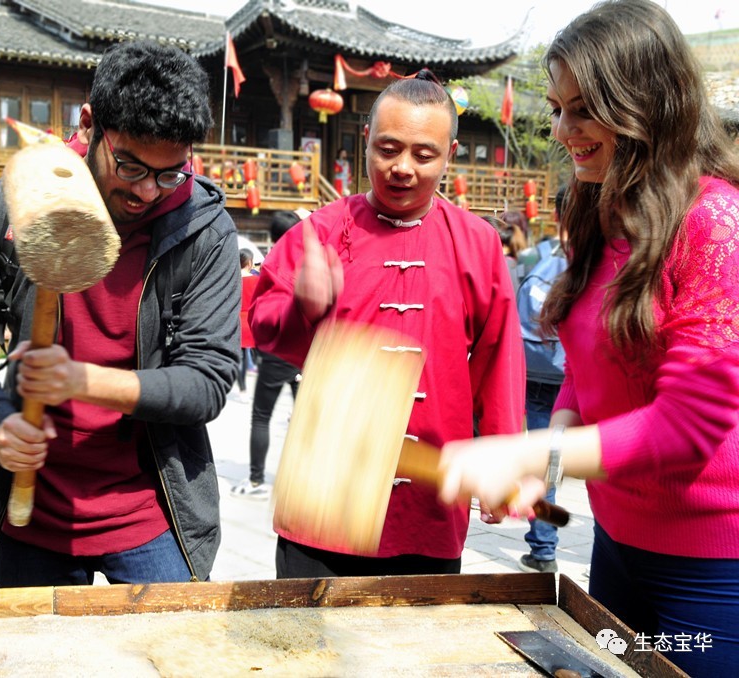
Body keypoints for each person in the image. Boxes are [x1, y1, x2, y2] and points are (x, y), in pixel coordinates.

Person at [438, 1, 739, 674]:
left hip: (714, 570)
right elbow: (585, 366)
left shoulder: (717, 224)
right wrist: (546, 470)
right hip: (616, 545)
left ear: (645, 102)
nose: (563, 130)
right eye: (556, 107)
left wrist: (528, 449)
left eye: (584, 109)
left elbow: (687, 427)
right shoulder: (605, 206)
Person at [0, 40, 241, 588]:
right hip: (35, 516)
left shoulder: (204, 229)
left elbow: (207, 381)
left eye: (170, 172)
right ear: (90, 123)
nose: (147, 190)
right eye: (129, 164)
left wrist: (80, 380)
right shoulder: (15, 206)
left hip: (155, 515)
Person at [250, 70, 525, 578]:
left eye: (424, 155)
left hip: (431, 492)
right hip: (327, 484)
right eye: (387, 149)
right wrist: (302, 308)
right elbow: (263, 324)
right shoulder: (323, 230)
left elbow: (499, 356)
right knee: (306, 645)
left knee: (419, 651)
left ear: (450, 154)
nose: (402, 168)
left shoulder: (477, 242)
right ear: (366, 144)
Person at [231, 211, 303, 500]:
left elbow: (261, 310)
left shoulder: (272, 263)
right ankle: (300, 483)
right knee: (303, 421)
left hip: (276, 352)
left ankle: (257, 480)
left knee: (262, 417)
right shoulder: (313, 260)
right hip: (306, 352)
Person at [516, 185, 568, 574]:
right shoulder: (605, 257)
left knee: (543, 462)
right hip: (575, 374)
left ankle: (543, 550)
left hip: (536, 373)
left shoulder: (540, 254)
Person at [236, 248, 259, 404]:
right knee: (260, 354)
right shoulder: (257, 280)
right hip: (252, 320)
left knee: (241, 358)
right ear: (250, 262)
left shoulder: (233, 279)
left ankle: (243, 389)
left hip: (237, 320)